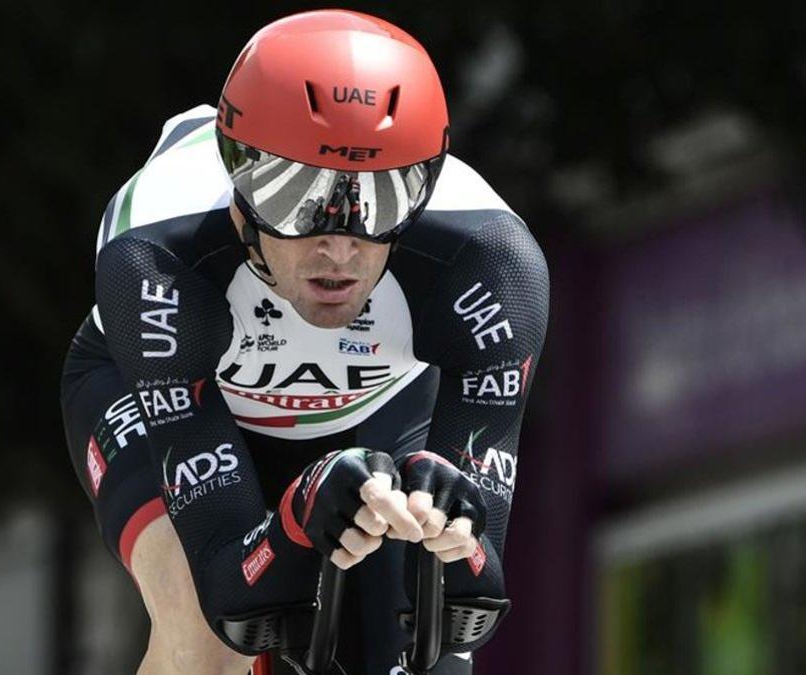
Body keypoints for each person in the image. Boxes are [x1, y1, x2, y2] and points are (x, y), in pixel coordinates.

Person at [59, 9, 548, 674]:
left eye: (379, 199)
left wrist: (459, 535)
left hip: (379, 407)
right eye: (298, 198)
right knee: (207, 640)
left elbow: (472, 602)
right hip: (162, 395)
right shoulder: (157, 258)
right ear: (240, 190)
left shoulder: (489, 260)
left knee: (426, 657)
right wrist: (292, 521)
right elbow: (234, 592)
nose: (340, 246)